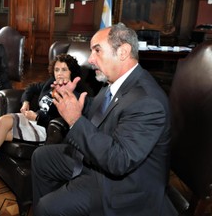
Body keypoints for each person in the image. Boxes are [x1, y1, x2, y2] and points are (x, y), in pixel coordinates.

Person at [31, 23, 176, 215]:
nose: (91, 59)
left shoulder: (148, 102)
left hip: (123, 187)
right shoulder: (113, 81)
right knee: (41, 157)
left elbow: (119, 160)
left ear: (123, 51)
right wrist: (75, 101)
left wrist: (75, 119)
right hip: (100, 160)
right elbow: (102, 111)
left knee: (47, 208)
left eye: (97, 51)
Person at [0, 54, 85, 200]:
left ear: (72, 72)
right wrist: (25, 101)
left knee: (2, 126)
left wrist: (38, 117)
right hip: (32, 120)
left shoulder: (73, 95)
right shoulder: (50, 83)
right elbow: (31, 88)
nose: (59, 73)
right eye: (57, 69)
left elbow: (63, 122)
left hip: (46, 129)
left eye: (64, 70)